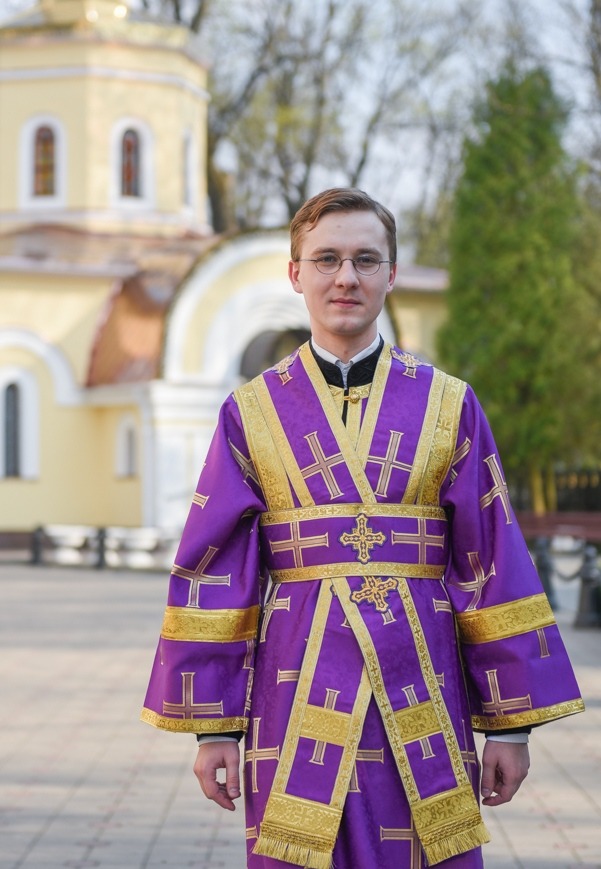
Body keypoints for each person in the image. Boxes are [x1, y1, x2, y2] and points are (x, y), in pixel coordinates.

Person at [142, 188, 584, 868]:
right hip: (292, 697)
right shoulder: (251, 411)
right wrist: (213, 728)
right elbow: (215, 569)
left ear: (390, 273)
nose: (344, 277)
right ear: (296, 274)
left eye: (363, 259)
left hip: (422, 690)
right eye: (325, 259)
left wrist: (512, 723)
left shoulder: (448, 404)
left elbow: (489, 558)